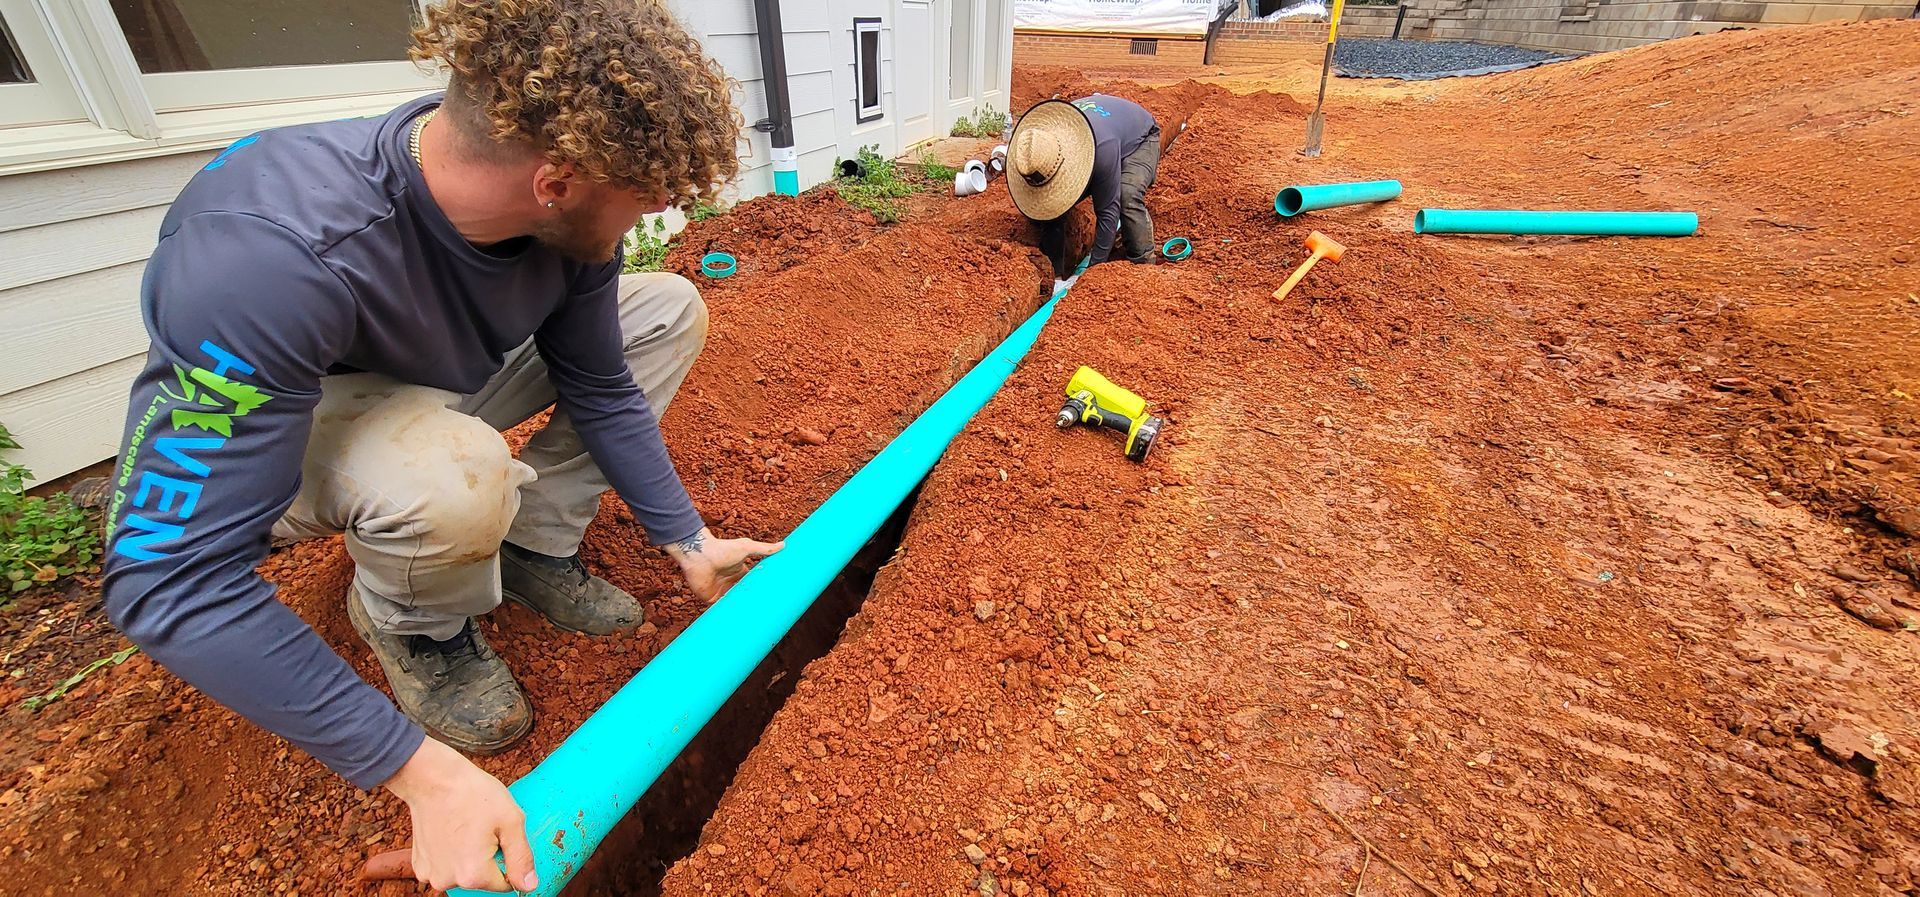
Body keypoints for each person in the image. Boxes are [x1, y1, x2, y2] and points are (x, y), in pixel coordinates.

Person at [97, 0, 780, 891]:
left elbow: (601, 379)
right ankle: (413, 624)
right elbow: (165, 574)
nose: (662, 209)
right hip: (293, 425)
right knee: (454, 472)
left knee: (665, 311)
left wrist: (688, 538)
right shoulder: (269, 255)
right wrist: (417, 770)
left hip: (442, 377)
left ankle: (533, 547)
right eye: (649, 195)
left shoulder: (565, 228)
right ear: (558, 178)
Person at [1005, 93, 1163, 281]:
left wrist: (1092, 274)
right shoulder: (1041, 145)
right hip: (1105, 128)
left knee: (1126, 193)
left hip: (1141, 137)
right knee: (1050, 204)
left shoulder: (1101, 150)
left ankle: (1142, 264)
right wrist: (1054, 275)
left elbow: (1108, 213)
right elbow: (1051, 213)